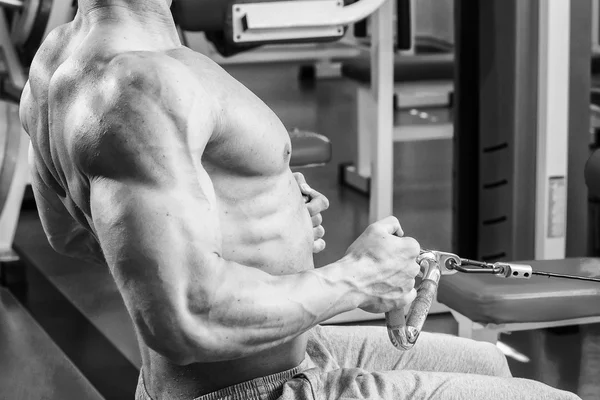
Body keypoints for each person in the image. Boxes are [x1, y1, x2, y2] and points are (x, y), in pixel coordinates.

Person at [19, 1, 581, 399]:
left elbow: (68, 232)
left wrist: (254, 219)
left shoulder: (54, 63)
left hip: (296, 350)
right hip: (264, 389)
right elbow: (185, 320)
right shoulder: (137, 83)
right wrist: (358, 277)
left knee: (486, 362)